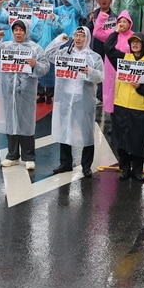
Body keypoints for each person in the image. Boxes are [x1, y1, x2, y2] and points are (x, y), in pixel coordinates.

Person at [0, 19, 46, 170]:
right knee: (10, 122)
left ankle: (28, 156)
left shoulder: (35, 49)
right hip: (8, 91)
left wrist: (35, 65)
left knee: (26, 123)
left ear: (26, 31)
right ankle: (12, 155)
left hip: (26, 93)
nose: (18, 33)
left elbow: (45, 67)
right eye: (16, 30)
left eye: (21, 30)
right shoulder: (6, 46)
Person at [45, 27, 105, 177]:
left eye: (82, 36)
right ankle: (65, 162)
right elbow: (48, 54)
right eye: (76, 36)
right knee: (65, 130)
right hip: (65, 99)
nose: (78, 39)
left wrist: (90, 72)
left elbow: (101, 77)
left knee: (87, 132)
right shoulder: (65, 53)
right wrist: (59, 40)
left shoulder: (93, 57)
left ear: (87, 38)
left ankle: (86, 165)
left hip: (83, 100)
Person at [104, 31, 144, 181]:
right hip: (120, 105)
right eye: (132, 42)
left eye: (138, 42)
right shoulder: (123, 58)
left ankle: (137, 170)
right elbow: (108, 47)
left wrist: (140, 87)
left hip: (139, 108)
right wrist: (116, 31)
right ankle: (125, 168)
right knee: (121, 140)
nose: (134, 44)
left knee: (138, 141)